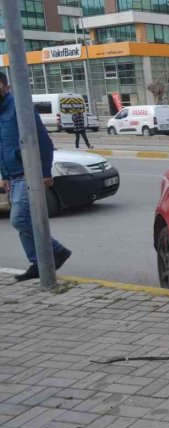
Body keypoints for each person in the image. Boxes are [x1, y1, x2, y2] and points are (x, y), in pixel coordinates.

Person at [0, 72, 72, 282]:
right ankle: (38, 263)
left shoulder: (20, 107)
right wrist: (4, 174)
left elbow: (44, 142)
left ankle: (55, 251)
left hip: (27, 174)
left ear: (4, 84)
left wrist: (46, 172)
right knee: (24, 222)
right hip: (12, 175)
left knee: (19, 219)